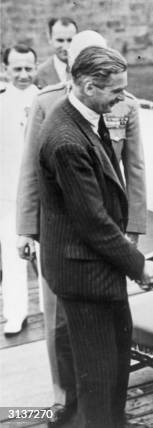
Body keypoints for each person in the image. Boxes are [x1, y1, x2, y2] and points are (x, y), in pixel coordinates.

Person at [15, 30, 147, 425]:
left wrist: (133, 233)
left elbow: (133, 172)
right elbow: (32, 176)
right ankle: (71, 411)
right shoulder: (57, 119)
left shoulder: (104, 109)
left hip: (102, 253)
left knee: (109, 353)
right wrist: (26, 228)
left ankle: (105, 416)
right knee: (78, 349)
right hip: (77, 256)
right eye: (116, 91)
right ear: (87, 84)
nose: (121, 98)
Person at [0, 44, 39, 335]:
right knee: (11, 254)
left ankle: (50, 313)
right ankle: (15, 312)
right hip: (10, 193)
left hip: (44, 192)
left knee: (49, 255)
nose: (24, 74)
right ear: (5, 70)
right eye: (17, 69)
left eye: (29, 68)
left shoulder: (48, 99)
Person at [35, 17, 78, 88]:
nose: (65, 47)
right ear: (50, 39)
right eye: (60, 40)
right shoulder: (38, 74)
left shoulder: (87, 71)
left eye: (70, 40)